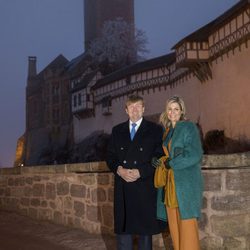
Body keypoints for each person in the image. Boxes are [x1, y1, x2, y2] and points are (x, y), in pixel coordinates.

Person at [106, 95, 166, 250]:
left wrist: (142, 171)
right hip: (123, 187)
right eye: (131, 107)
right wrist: (119, 170)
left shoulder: (155, 130)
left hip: (144, 187)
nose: (135, 110)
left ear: (144, 109)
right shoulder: (117, 130)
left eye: (138, 106)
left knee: (144, 236)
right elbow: (110, 156)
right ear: (126, 110)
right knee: (124, 235)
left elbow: (158, 158)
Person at [153, 95, 203, 250]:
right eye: (169, 109)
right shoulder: (167, 131)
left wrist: (172, 163)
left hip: (185, 186)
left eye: (176, 109)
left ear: (182, 111)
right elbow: (168, 154)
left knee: (187, 228)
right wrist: (159, 160)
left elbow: (195, 154)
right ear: (166, 112)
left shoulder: (189, 127)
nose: (172, 112)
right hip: (170, 186)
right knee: (174, 228)